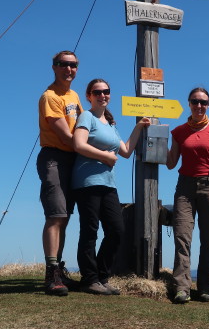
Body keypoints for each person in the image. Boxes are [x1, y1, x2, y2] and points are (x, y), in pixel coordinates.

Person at [72, 79, 150, 295]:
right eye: (97, 92)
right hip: (87, 182)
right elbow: (78, 144)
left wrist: (139, 126)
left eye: (106, 91)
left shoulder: (110, 122)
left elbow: (125, 151)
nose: (102, 95)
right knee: (90, 231)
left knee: (116, 230)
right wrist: (105, 156)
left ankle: (101, 277)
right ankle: (90, 279)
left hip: (108, 184)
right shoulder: (86, 116)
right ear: (89, 96)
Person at [166, 88, 209, 303]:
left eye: (203, 102)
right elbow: (172, 164)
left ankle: (204, 287)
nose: (199, 106)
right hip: (185, 187)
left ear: (208, 104)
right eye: (195, 101)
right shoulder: (179, 131)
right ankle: (182, 288)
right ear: (189, 104)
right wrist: (157, 139)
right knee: (182, 236)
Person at [36, 50, 83, 296]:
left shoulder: (74, 95)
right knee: (55, 215)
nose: (69, 69)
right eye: (63, 64)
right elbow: (66, 135)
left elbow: (82, 123)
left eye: (73, 65)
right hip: (54, 157)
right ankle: (51, 273)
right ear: (54, 67)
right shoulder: (50, 97)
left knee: (64, 217)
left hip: (72, 158)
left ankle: (59, 270)